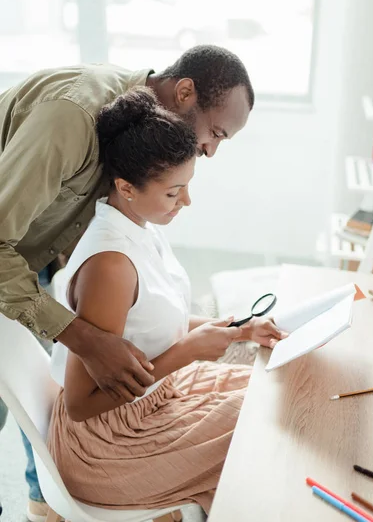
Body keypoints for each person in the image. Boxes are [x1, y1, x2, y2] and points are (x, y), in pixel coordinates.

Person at [0, 45, 254, 520]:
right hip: (4, 241)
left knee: (35, 374)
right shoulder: (71, 120)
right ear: (183, 92)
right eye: (215, 133)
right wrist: (83, 334)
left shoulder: (133, 144)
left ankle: (43, 501)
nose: (211, 150)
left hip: (24, 246)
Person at [47, 88, 286, 515]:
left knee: (270, 393)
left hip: (154, 398)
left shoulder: (139, 224)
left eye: (187, 188)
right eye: (175, 193)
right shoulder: (110, 267)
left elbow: (155, 322)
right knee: (263, 429)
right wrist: (189, 353)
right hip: (109, 442)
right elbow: (81, 406)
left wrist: (239, 329)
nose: (186, 203)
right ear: (126, 187)